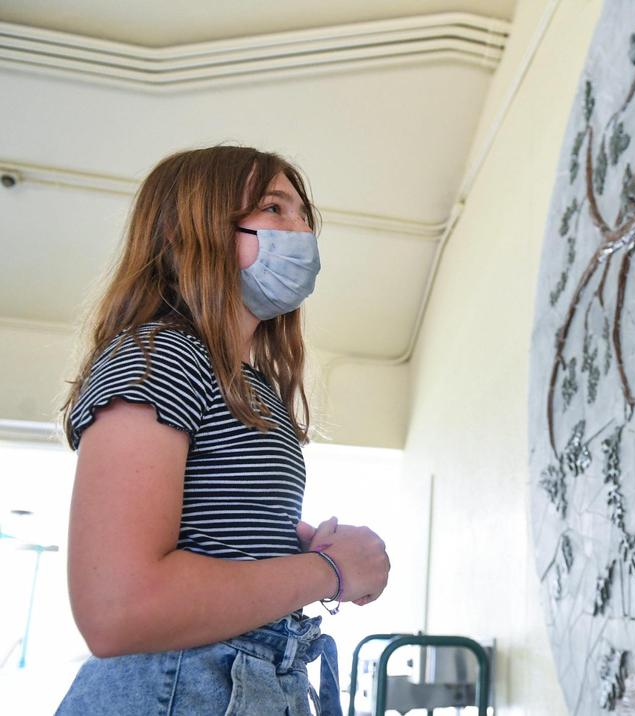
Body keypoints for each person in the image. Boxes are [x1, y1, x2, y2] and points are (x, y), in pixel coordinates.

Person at [55, 145, 391, 715]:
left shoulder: (249, 383)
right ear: (196, 230)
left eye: (302, 213)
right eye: (274, 209)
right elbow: (119, 609)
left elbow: (209, 534)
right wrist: (329, 571)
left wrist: (290, 540)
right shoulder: (161, 356)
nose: (302, 229)